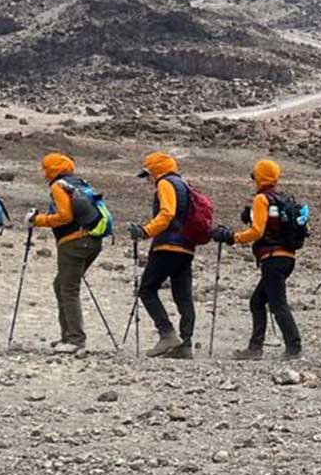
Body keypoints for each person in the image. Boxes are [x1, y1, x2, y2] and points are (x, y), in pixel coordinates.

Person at [215, 158, 303, 360]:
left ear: (259, 177)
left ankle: (293, 347)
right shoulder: (282, 199)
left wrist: (232, 237)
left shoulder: (262, 199)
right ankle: (256, 348)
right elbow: (272, 226)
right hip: (287, 257)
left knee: (277, 303)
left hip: (272, 258)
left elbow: (257, 232)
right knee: (258, 301)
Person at [28, 152, 106, 354]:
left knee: (68, 288)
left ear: (54, 169)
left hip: (74, 243)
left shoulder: (58, 186)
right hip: (92, 241)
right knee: (61, 285)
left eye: (46, 169)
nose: (44, 173)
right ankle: (68, 336)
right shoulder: (79, 183)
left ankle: (75, 340)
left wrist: (39, 220)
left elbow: (64, 216)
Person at [127, 152, 201, 358]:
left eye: (148, 174)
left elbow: (167, 213)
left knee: (147, 289)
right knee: (183, 296)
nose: (149, 180)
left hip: (168, 246)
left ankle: (166, 333)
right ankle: (185, 345)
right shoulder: (184, 185)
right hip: (186, 247)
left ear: (156, 171)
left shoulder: (165, 183)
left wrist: (145, 231)